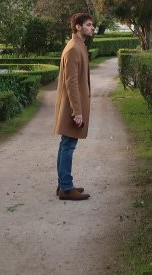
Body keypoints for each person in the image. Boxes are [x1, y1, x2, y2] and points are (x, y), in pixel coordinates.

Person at [54, 12, 94, 200]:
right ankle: (66, 188)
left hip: (73, 106)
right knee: (68, 145)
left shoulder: (79, 46)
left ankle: (63, 184)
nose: (92, 28)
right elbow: (71, 83)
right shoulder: (73, 49)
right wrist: (77, 111)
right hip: (72, 108)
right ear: (78, 27)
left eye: (92, 25)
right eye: (88, 25)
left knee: (66, 144)